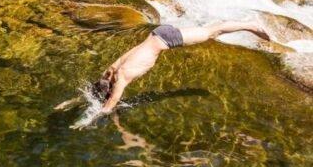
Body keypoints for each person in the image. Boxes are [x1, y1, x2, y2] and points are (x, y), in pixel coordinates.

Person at [57, 21, 270, 118]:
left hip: (165, 39)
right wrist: (68, 103)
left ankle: (250, 25)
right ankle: (246, 25)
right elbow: (96, 90)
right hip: (158, 33)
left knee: (213, 32)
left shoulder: (121, 77)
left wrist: (87, 121)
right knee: (210, 29)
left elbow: (109, 105)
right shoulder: (111, 70)